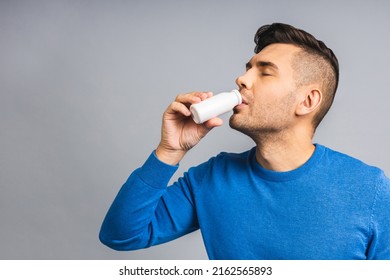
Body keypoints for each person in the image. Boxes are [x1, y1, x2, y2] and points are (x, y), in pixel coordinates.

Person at [99, 23, 390, 259]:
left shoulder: (370, 190)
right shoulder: (212, 178)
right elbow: (121, 235)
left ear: (307, 100)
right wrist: (169, 151)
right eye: (248, 68)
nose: (242, 78)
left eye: (264, 72)